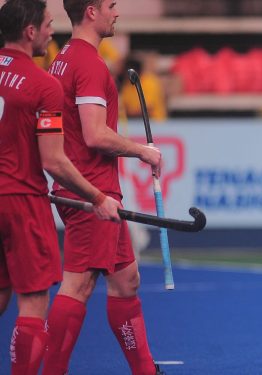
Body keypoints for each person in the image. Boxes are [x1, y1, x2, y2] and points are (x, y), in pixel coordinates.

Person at [41, 1, 165, 374]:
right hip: (91, 192)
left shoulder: (63, 57)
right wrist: (143, 152)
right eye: (111, 5)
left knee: (127, 280)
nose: (116, 12)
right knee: (77, 286)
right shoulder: (90, 64)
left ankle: (145, 369)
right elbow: (94, 135)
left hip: (90, 188)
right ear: (91, 12)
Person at [0, 1, 120, 374]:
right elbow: (54, 161)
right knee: (33, 302)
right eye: (48, 25)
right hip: (21, 200)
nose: (53, 32)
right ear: (30, 32)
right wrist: (97, 197)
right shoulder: (43, 85)